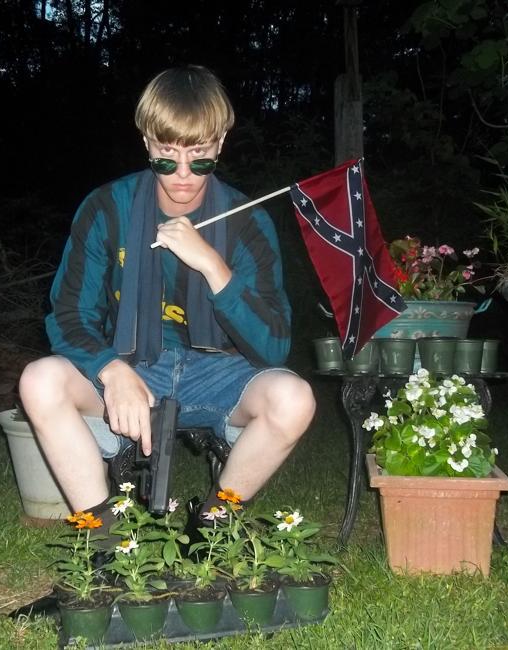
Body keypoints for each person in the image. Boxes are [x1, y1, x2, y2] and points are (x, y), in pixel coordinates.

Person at [19, 64, 315, 530]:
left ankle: (211, 526)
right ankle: (104, 536)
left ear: (220, 143)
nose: (182, 175)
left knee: (294, 398)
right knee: (39, 381)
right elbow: (70, 314)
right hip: (133, 362)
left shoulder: (247, 221)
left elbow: (274, 345)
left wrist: (212, 265)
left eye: (199, 158)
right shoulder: (107, 208)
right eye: (166, 156)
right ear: (146, 142)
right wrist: (111, 370)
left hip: (221, 373)